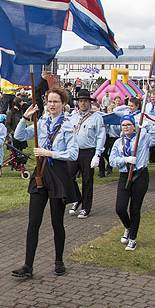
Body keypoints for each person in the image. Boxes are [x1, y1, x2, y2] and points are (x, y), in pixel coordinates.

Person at [12, 87, 78, 278]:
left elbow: (73, 154)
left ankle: (59, 261)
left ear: (63, 104)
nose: (52, 105)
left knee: (57, 222)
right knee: (33, 222)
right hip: (40, 173)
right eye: (49, 101)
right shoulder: (41, 122)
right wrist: (25, 117)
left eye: (56, 102)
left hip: (58, 172)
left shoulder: (67, 124)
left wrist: (49, 153)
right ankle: (28, 266)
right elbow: (19, 136)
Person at [109, 114, 155, 251]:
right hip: (124, 175)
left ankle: (133, 239)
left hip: (140, 175)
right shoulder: (118, 142)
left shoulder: (142, 138)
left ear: (134, 126)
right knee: (120, 208)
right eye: (123, 125)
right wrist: (125, 160)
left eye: (129, 124)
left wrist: (148, 126)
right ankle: (128, 227)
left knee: (135, 208)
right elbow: (112, 161)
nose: (126, 127)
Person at [67, 89, 106, 219]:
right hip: (74, 151)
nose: (82, 103)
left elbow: (101, 136)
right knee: (68, 176)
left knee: (87, 180)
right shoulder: (73, 117)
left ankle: (86, 207)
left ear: (90, 102)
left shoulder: (96, 117)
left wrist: (98, 154)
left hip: (88, 151)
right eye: (80, 101)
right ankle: (77, 198)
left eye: (85, 101)